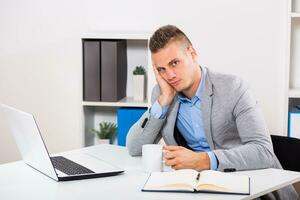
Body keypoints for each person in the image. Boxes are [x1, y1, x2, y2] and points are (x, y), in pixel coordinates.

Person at [126, 25, 298, 199]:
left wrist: (204, 160)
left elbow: (263, 151)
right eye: (161, 69)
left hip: (249, 186)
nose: (169, 75)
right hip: (198, 189)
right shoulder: (164, 93)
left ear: (192, 53)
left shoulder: (233, 88)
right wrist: (163, 100)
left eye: (174, 63)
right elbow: (134, 147)